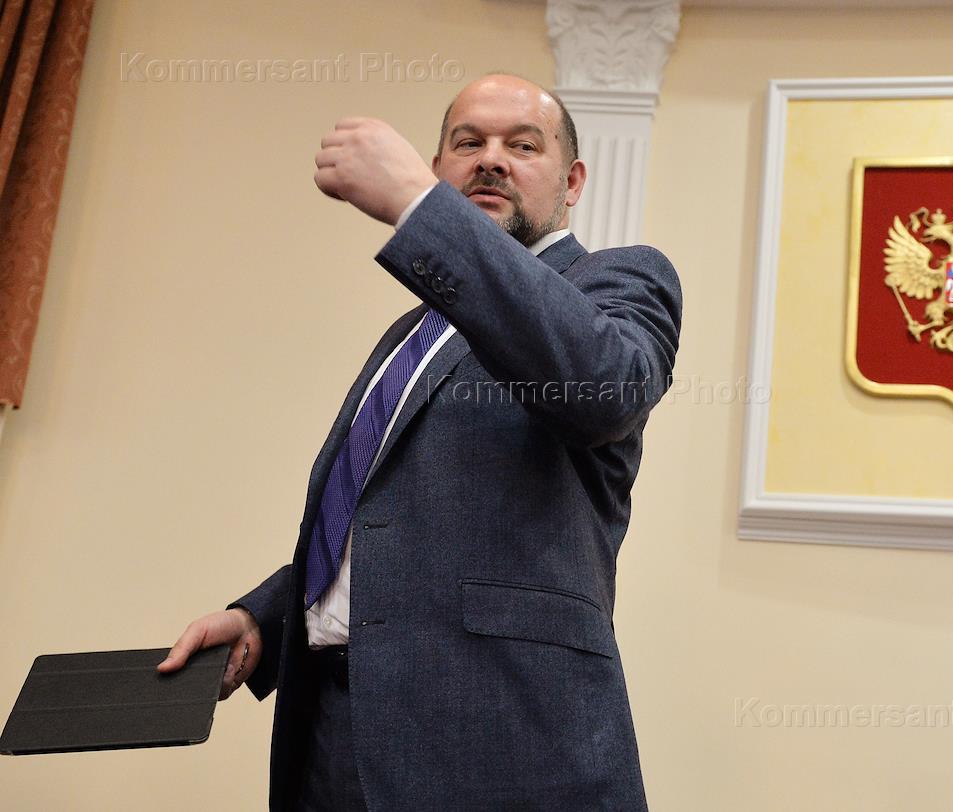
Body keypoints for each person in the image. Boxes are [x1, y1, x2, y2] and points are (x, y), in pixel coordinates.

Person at [158, 73, 682, 810]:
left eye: (522, 145)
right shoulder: (412, 333)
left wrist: (417, 207)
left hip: (504, 748)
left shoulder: (617, 280)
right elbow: (385, 524)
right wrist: (265, 618)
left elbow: (603, 390)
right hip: (335, 737)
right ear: (440, 168)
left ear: (572, 182)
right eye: (468, 143)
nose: (490, 159)